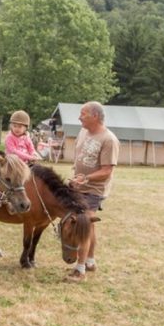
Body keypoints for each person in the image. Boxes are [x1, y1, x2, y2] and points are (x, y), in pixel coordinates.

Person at [67, 101, 120, 282]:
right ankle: (90, 262)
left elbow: (107, 171)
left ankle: (79, 270)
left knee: (83, 224)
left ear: (95, 116)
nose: (79, 117)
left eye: (83, 114)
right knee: (90, 226)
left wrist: (86, 179)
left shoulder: (109, 140)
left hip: (93, 189)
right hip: (79, 185)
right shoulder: (83, 132)